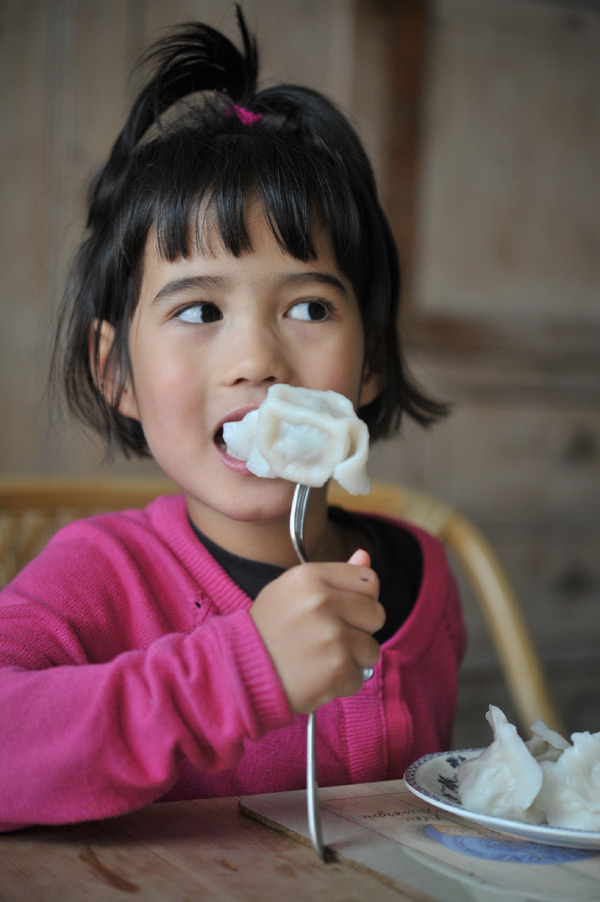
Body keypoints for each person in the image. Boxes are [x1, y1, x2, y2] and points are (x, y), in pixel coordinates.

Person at [0, 7, 465, 831]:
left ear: (371, 365)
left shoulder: (423, 574)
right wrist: (243, 673)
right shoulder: (101, 578)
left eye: (311, 306)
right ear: (118, 375)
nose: (257, 359)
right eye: (198, 310)